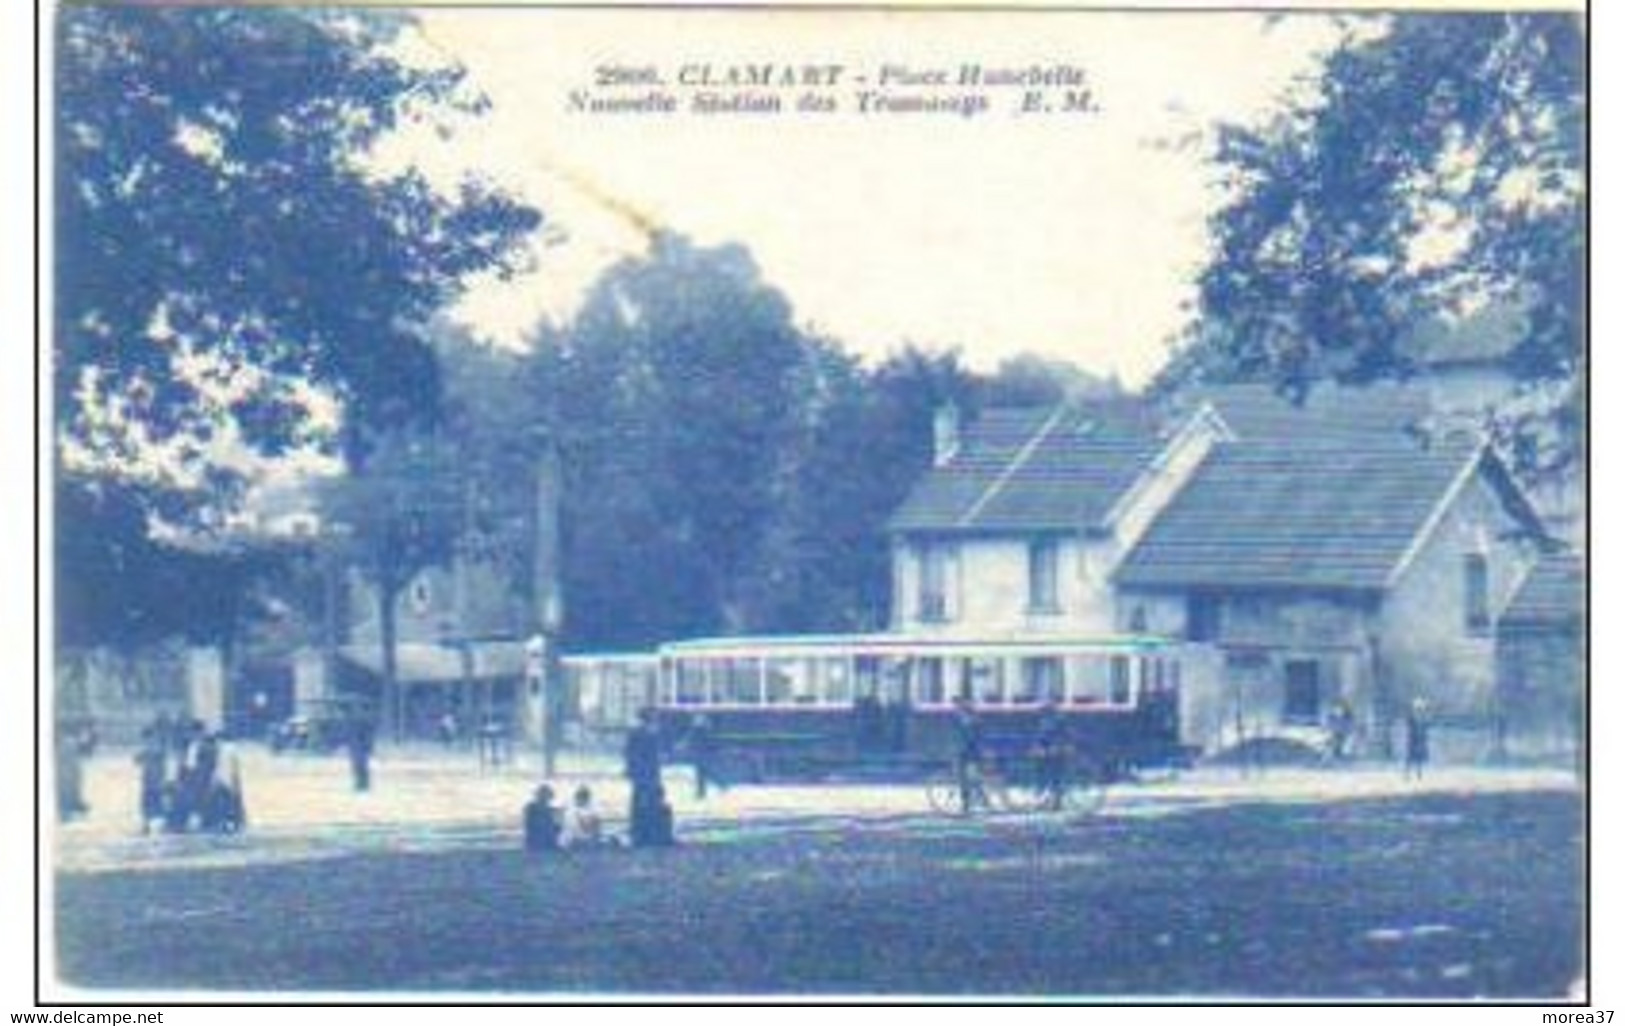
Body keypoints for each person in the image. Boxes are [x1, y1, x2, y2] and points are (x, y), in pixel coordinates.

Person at [625, 708, 674, 847]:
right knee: (649, 802)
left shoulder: (636, 733)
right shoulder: (646, 734)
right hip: (648, 774)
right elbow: (652, 755)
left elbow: (630, 754)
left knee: (639, 802)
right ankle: (648, 834)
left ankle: (640, 834)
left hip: (642, 775)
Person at [1032, 699, 1069, 811]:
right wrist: (1038, 748)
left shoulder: (1056, 721)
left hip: (1055, 753)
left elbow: (1060, 736)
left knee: (1054, 777)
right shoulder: (1047, 721)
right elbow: (1041, 737)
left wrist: (1055, 747)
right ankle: (1048, 801)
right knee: (1049, 777)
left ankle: (1054, 802)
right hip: (1048, 753)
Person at [952, 697, 987, 814]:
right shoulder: (963, 718)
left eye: (958, 706)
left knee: (967, 778)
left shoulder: (969, 719)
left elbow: (970, 738)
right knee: (969, 778)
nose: (956, 708)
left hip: (969, 753)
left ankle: (970, 803)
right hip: (968, 752)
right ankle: (978, 800)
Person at [134, 726, 169, 835]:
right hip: (148, 781)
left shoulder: (155, 750)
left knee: (155, 803)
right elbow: (137, 760)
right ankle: (147, 825)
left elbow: (161, 764)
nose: (146, 741)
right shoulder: (150, 749)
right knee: (149, 804)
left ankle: (154, 824)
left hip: (155, 781)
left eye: (147, 738)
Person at [562, 785, 613, 849]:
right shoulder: (571, 811)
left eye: (584, 798)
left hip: (587, 841)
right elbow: (583, 829)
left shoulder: (592, 810)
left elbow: (596, 827)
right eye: (581, 797)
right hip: (575, 841)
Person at [687, 714, 721, 800]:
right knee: (702, 773)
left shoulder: (701, 730)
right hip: (701, 754)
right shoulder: (699, 731)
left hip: (702, 754)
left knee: (703, 773)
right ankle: (701, 792)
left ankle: (703, 791)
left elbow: (709, 742)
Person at [523, 784, 562, 854]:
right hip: (536, 845)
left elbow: (556, 828)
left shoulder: (550, 811)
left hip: (547, 844)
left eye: (548, 797)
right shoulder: (531, 808)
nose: (547, 799)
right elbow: (532, 826)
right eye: (544, 796)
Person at [347, 708, 375, 792]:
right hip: (359, 750)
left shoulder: (359, 726)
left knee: (360, 768)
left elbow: (367, 741)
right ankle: (362, 785)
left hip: (360, 750)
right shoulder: (365, 726)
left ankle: (362, 785)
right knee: (360, 768)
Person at [1404, 697, 1431, 780]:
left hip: (1419, 739)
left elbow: (1426, 725)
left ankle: (1418, 773)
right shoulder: (1413, 718)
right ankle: (1408, 774)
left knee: (1418, 758)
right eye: (1418, 708)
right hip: (1413, 739)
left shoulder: (1422, 718)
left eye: (1419, 708)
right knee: (1410, 758)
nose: (1418, 710)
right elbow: (1409, 724)